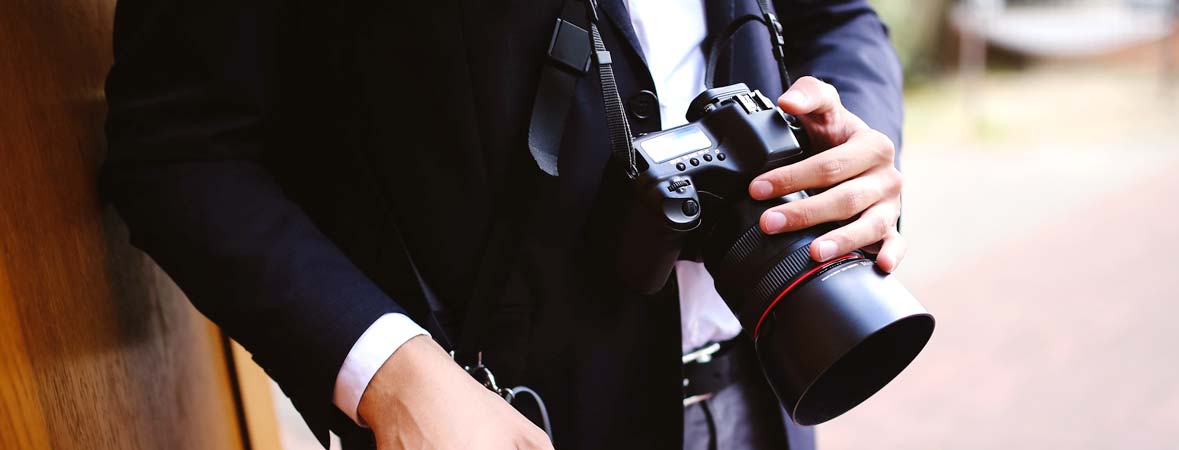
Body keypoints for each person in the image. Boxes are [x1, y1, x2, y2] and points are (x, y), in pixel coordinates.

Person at [102, 0, 903, 448]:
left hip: (769, 394)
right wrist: (390, 374)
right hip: (505, 424)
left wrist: (851, 151)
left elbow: (835, 16)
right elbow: (179, 150)